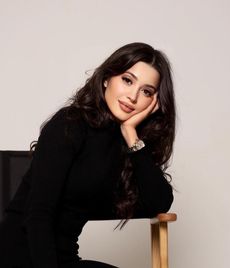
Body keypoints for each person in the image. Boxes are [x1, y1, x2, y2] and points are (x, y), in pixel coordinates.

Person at [0, 42, 176, 268]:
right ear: (107, 78)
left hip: (64, 259)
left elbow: (158, 203)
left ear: (154, 102)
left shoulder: (124, 146)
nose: (133, 96)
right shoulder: (69, 124)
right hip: (20, 257)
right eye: (127, 80)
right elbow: (38, 216)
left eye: (146, 91)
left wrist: (131, 135)